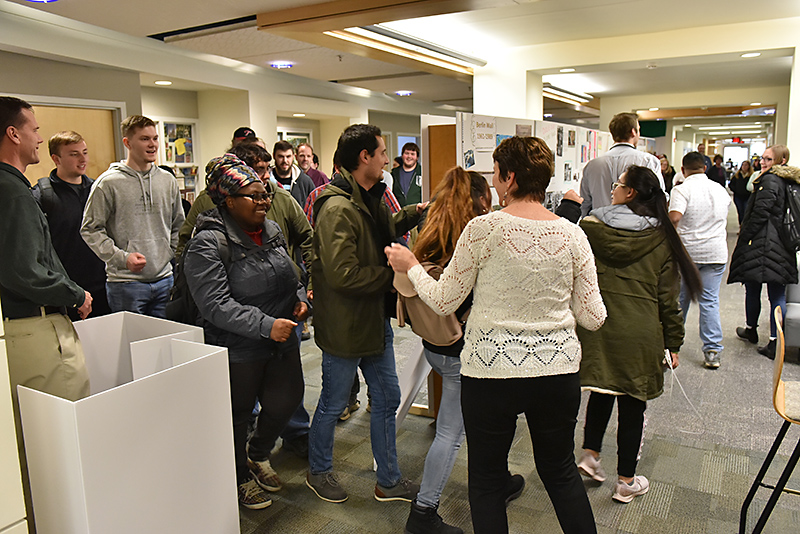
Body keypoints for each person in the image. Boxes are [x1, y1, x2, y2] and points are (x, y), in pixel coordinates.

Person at [386, 136, 607, 534]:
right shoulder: (574, 235)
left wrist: (412, 265)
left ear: (509, 177)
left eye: (496, 171)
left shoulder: (483, 229)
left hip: (490, 372)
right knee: (560, 474)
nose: (492, 178)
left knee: (486, 483)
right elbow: (593, 317)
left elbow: (443, 299)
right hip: (557, 374)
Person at [183, 154, 309, 510]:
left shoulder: (270, 229)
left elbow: (289, 274)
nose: (263, 201)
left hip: (280, 338)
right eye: (253, 195)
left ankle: (257, 453)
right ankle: (238, 476)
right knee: (237, 416)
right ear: (228, 199)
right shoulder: (208, 243)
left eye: (265, 193)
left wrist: (299, 299)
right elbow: (215, 305)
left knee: (286, 400)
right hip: (237, 345)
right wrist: (267, 326)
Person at [306, 124, 422, 504]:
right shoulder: (337, 208)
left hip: (372, 322)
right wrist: (393, 276)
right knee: (333, 402)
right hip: (345, 326)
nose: (388, 159)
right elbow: (343, 273)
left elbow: (379, 228)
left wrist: (415, 213)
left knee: (387, 398)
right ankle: (318, 470)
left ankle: (388, 480)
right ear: (364, 158)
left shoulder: (368, 196)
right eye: (382, 152)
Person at [576, 165, 701, 504]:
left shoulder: (590, 227)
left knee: (602, 389)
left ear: (629, 193)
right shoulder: (662, 238)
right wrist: (673, 342)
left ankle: (590, 456)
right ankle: (626, 481)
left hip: (597, 326)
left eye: (618, 185)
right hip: (641, 332)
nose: (613, 189)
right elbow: (668, 300)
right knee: (633, 405)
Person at [0, 95, 93, 533]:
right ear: (13, 134)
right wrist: (73, 292)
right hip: (35, 328)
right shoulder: (14, 192)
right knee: (57, 442)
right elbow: (25, 270)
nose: (39, 136)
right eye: (34, 129)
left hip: (24, 329)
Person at [403, 167, 492, 534]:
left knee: (482, 423)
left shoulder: (431, 231)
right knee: (450, 433)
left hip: (433, 345)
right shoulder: (473, 238)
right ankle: (423, 512)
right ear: (481, 199)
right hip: (462, 349)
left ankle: (497, 481)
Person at [81, 115, 184, 318]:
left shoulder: (167, 180)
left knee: (164, 344)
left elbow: (178, 224)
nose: (152, 144)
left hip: (165, 279)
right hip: (126, 283)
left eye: (155, 138)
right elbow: (90, 229)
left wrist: (167, 253)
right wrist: (123, 258)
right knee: (132, 345)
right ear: (127, 143)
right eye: (145, 139)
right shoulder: (108, 183)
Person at [729, 145, 799, 359]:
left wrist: (743, 237)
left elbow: (760, 213)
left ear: (782, 160)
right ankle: (772, 338)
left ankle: (766, 337)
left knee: (759, 290)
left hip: (763, 244)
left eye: (769, 159)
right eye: (762, 159)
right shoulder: (789, 181)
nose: (763, 163)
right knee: (775, 293)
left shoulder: (769, 181)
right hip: (781, 244)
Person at [32, 130, 111, 319]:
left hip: (102, 286)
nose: (82, 159)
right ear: (56, 158)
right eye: (74, 154)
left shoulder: (98, 189)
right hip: (66, 289)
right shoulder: (42, 194)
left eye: (84, 152)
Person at [669, 152, 731, 369]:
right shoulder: (720, 189)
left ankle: (672, 347)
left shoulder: (682, 189)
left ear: (683, 170)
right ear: (704, 168)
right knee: (710, 300)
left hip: (689, 254)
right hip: (716, 253)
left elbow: (675, 217)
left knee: (681, 299)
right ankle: (713, 350)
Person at [580, 112, 663, 217]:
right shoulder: (648, 161)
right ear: (633, 132)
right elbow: (659, 198)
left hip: (599, 227)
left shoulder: (592, 165)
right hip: (636, 227)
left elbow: (585, 204)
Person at [271, 140, 315, 207]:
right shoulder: (266, 180)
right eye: (281, 156)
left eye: (288, 156)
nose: (285, 161)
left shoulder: (305, 181)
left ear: (293, 157)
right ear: (274, 156)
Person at [392, 141, 422, 206]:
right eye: (406, 153)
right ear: (402, 156)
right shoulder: (394, 174)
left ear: (417, 157)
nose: (409, 156)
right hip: (399, 213)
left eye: (412, 154)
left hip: (418, 213)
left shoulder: (423, 173)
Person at [728, 159, 753, 224]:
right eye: (743, 165)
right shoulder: (737, 176)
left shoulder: (751, 176)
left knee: (746, 212)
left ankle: (745, 226)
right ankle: (741, 226)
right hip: (738, 197)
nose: (744, 167)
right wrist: (736, 190)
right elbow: (731, 185)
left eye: (746, 165)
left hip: (747, 197)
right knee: (740, 212)